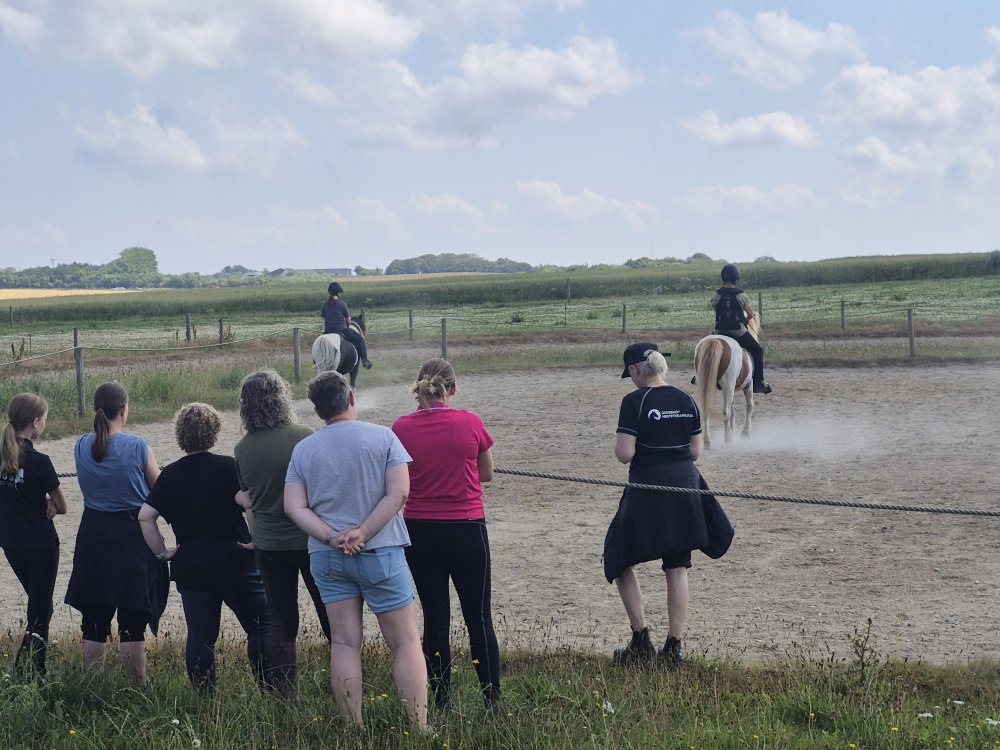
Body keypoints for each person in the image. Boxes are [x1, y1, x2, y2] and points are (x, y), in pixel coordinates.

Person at [284, 370, 427, 730]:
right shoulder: (383, 437)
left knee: (345, 644)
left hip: (328, 557)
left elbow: (294, 507)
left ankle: (353, 726)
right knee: (405, 642)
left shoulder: (304, 449)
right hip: (380, 552)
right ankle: (419, 726)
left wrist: (332, 537)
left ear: (318, 410)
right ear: (351, 398)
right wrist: (363, 532)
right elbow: (399, 492)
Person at [138, 403, 271, 692]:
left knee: (201, 635)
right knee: (260, 625)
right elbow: (248, 503)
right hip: (234, 558)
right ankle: (270, 688)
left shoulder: (170, 475)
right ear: (214, 431)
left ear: (180, 435)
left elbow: (145, 517)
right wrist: (256, 539)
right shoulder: (228, 466)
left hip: (191, 562)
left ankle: (204, 696)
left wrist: (162, 552)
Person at [391, 358, 500, 709]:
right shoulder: (470, 421)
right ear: (452, 388)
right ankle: (491, 698)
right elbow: (486, 474)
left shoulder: (401, 427)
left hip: (420, 530)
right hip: (466, 527)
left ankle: (441, 700)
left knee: (436, 618)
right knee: (478, 617)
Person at [604, 342, 713, 670]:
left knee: (618, 556)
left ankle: (640, 641)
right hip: (684, 485)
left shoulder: (634, 401)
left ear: (636, 370)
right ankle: (673, 648)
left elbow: (624, 454)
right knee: (677, 565)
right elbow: (695, 452)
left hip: (648, 486)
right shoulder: (686, 399)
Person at [233, 370, 330, 699]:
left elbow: (248, 498)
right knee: (330, 613)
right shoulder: (305, 435)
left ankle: (287, 696)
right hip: (311, 539)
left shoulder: (242, 448)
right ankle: (346, 683)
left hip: (270, 543)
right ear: (281, 398)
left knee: (281, 624)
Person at [64, 382, 167, 685]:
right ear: (123, 410)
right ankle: (137, 687)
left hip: (94, 533)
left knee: (94, 616)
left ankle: (92, 686)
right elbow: (160, 492)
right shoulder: (138, 446)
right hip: (132, 534)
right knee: (133, 616)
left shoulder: (81, 444)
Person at [0, 393, 68, 679]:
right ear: (36, 422)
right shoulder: (40, 461)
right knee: (40, 610)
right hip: (40, 545)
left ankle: (25, 667)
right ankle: (32, 672)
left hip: (11, 542)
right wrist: (48, 501)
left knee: (40, 605)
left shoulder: (3, 456)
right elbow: (63, 505)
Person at [711, 263, 772, 394]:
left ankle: (699, 377)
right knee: (758, 350)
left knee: (707, 349)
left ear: (723, 278)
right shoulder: (741, 295)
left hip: (719, 332)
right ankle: (758, 383)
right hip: (738, 332)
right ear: (736, 279)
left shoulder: (716, 295)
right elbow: (750, 314)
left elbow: (717, 312)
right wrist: (745, 321)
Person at [321, 281, 372, 369]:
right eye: (340, 293)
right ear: (338, 293)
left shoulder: (325, 304)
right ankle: (365, 361)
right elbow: (348, 319)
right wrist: (347, 325)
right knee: (360, 340)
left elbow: (323, 318)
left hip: (328, 331)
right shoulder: (342, 304)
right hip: (341, 329)